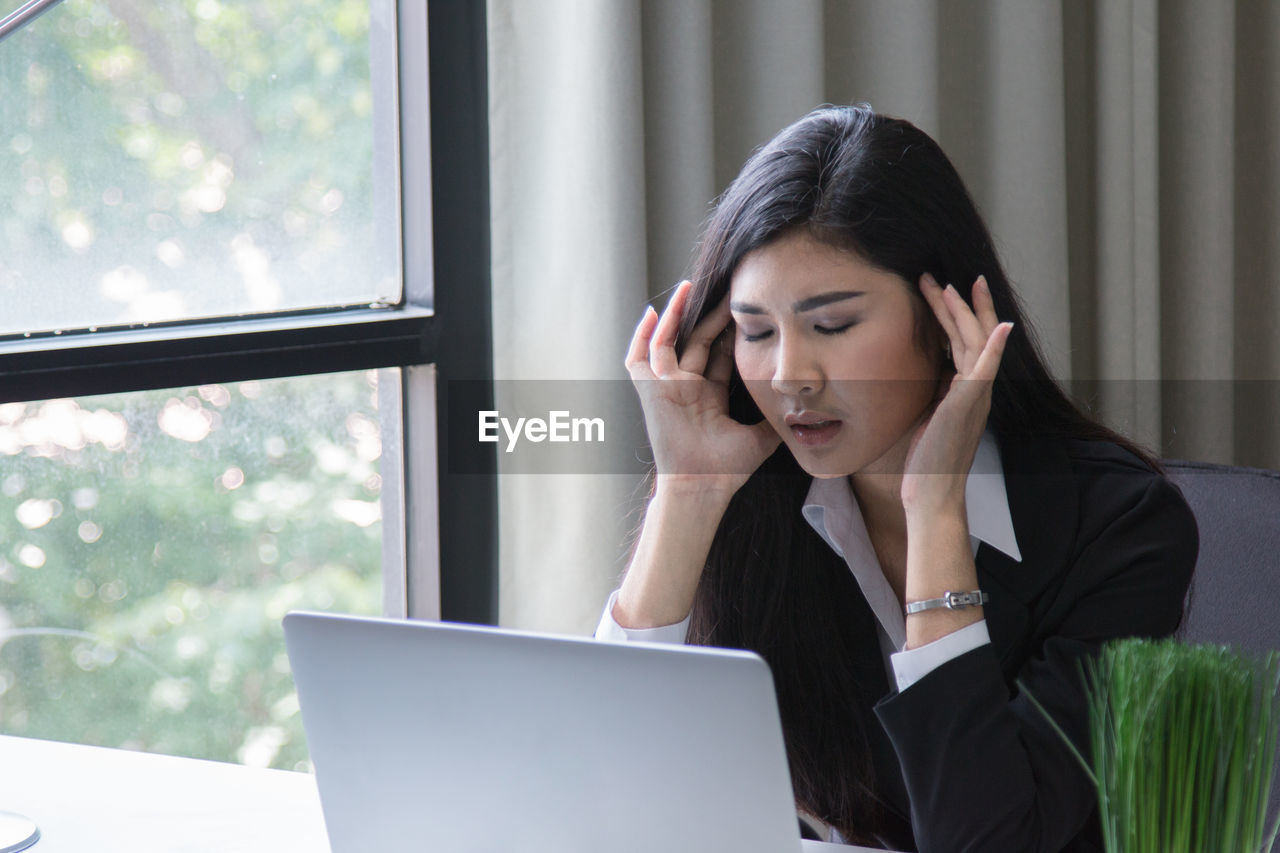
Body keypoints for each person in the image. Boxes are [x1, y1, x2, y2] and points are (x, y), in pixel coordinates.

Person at [594, 105, 1198, 852]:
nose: (789, 376)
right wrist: (685, 497)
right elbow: (604, 793)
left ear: (947, 319)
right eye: (755, 331)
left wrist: (936, 510)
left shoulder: (1122, 528)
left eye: (833, 324)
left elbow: (986, 841)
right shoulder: (755, 496)